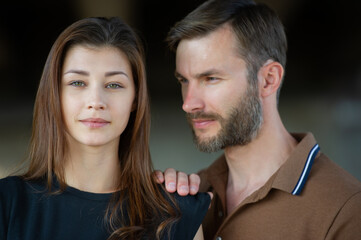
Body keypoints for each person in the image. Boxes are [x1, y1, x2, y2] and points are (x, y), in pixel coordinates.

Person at [156, 0, 361, 239]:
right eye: (184, 81)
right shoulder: (189, 194)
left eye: (210, 78)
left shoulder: (345, 208)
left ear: (268, 80)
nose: (189, 103)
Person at [0, 17, 210, 240]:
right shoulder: (8, 203)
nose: (96, 101)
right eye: (77, 83)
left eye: (114, 85)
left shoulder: (177, 212)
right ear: (54, 95)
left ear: (135, 99)